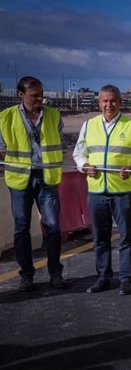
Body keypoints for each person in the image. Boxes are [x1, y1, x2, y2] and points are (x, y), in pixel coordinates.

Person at [73, 85, 131, 296]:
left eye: (113, 101)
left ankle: (126, 279)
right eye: (105, 101)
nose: (109, 105)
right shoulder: (89, 125)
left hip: (123, 192)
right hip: (97, 192)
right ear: (99, 103)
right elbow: (79, 153)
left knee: (126, 237)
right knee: (101, 238)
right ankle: (103, 277)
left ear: (120, 102)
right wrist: (84, 166)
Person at [0, 76, 68, 291]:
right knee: (21, 228)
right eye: (34, 95)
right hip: (20, 179)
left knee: (53, 227)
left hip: (46, 177)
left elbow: (59, 143)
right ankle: (26, 275)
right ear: (21, 95)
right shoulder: (6, 117)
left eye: (41, 94)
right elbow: (2, 149)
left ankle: (55, 273)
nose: (40, 98)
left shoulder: (54, 115)